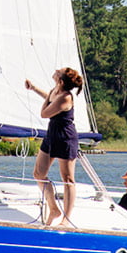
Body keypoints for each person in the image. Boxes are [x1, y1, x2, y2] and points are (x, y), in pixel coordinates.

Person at [25, 67, 83, 227]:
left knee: (68, 179)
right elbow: (50, 99)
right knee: (39, 173)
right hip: (52, 135)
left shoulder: (66, 97)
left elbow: (44, 113)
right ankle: (54, 209)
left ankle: (66, 219)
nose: (56, 70)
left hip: (65, 137)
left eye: (59, 71)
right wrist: (35, 88)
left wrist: (49, 97)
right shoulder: (56, 90)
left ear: (61, 81)